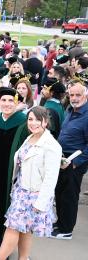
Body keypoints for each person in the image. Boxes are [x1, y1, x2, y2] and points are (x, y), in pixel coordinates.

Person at [0, 106, 62, 260]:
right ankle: (23, 258)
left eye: (38, 119)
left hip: (34, 195)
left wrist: (41, 203)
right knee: (24, 230)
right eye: (30, 119)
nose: (33, 123)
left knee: (12, 228)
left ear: (45, 122)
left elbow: (50, 179)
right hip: (20, 191)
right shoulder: (30, 137)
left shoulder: (51, 145)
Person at [0, 87, 29, 255]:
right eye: (4, 100)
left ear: (16, 102)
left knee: (10, 208)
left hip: (14, 174)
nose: (7, 104)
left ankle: (7, 248)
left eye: (11, 100)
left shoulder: (24, 122)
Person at [52, 80, 88, 240]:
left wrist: (75, 163)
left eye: (78, 95)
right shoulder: (70, 110)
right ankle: (61, 223)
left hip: (74, 161)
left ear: (85, 95)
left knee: (69, 196)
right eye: (71, 94)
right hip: (62, 159)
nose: (74, 98)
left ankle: (66, 230)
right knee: (59, 192)